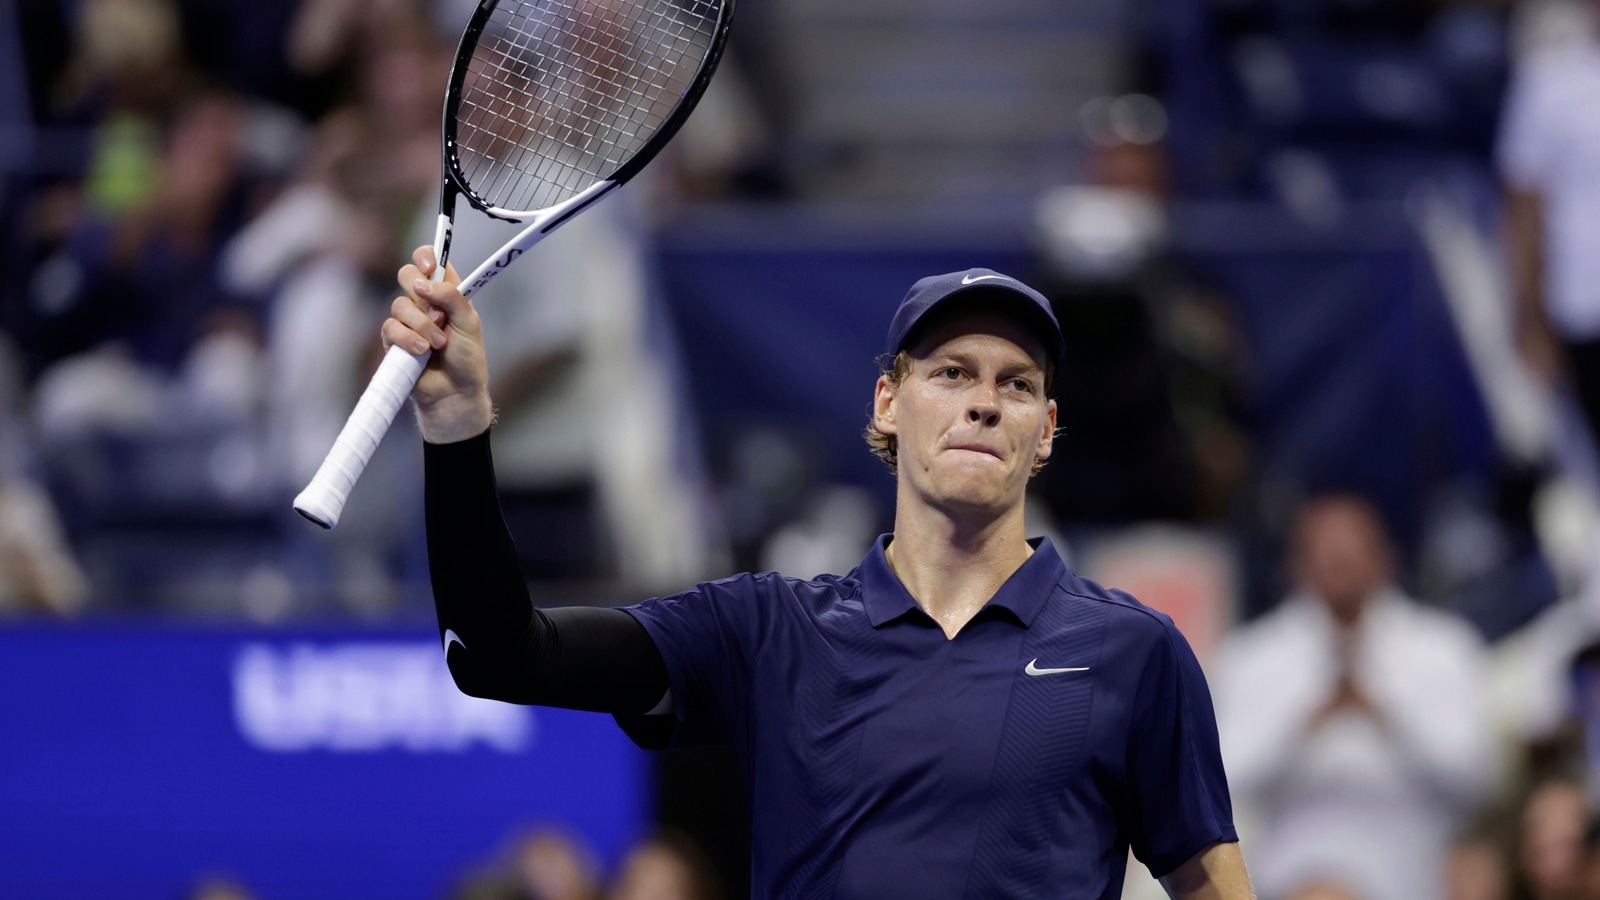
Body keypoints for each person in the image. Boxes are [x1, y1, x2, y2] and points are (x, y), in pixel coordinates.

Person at [386, 246, 1252, 899]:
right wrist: (458, 424)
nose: (985, 401)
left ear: (1047, 428)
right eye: (951, 373)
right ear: (888, 401)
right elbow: (497, 655)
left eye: (1017, 384)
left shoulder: (1132, 653)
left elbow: (1213, 885)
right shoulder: (767, 632)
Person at [1214, 494, 1494, 900]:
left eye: (1350, 555)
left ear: (1386, 559)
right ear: (1297, 566)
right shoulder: (1252, 656)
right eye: (1327, 557)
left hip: (1418, 856)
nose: (1339, 568)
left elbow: (1477, 778)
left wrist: (1389, 716)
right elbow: (1222, 779)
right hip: (1293, 857)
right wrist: (1305, 721)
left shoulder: (1443, 647)